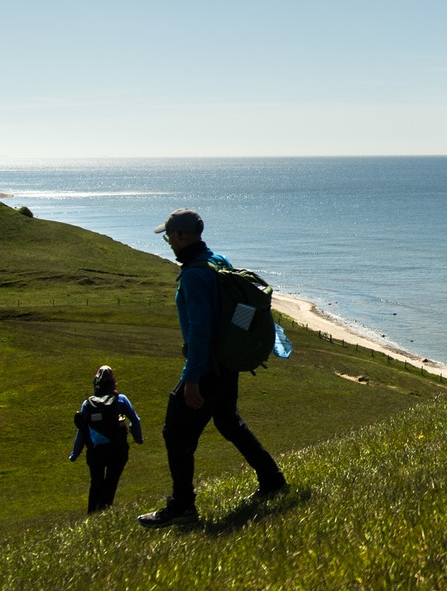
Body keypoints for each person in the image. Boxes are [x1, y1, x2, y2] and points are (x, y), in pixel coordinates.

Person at [137, 209, 287, 527]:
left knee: (175, 433)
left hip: (207, 368)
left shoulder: (194, 275)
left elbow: (200, 330)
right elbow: (239, 313)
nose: (169, 243)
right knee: (228, 422)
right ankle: (272, 480)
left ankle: (182, 506)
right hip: (226, 363)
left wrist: (192, 378)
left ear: (179, 236)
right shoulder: (219, 261)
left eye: (168, 237)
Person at [70, 364, 142, 514]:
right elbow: (135, 420)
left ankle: (92, 514)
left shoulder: (87, 404)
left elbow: (82, 431)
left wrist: (75, 454)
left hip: (96, 452)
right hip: (118, 450)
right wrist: (138, 438)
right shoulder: (121, 399)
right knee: (111, 481)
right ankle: (103, 511)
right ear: (113, 382)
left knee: (96, 482)